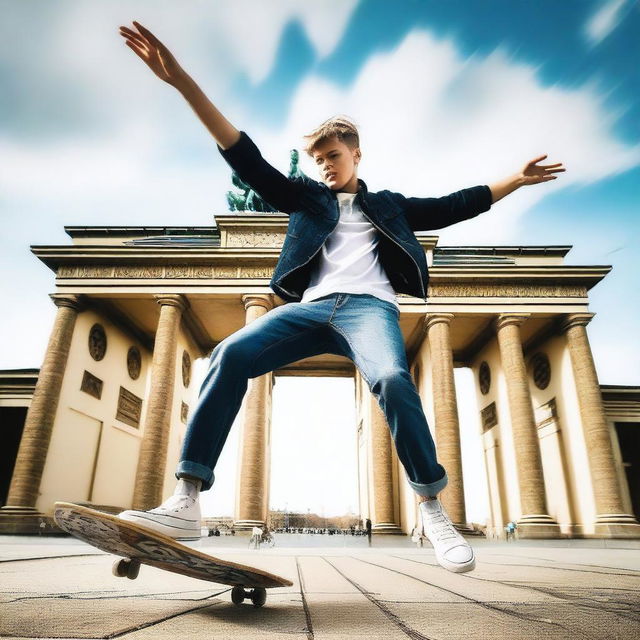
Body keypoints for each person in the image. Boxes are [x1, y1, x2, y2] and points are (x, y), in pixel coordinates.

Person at [115, 21, 565, 574]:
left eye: (332, 154)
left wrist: (513, 180)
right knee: (231, 355)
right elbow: (244, 156)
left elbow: (455, 203)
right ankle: (187, 497)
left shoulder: (391, 206)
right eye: (317, 158)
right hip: (308, 309)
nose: (325, 165)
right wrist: (183, 82)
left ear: (355, 153)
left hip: (369, 310)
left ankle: (431, 507)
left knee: (394, 382)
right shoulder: (304, 199)